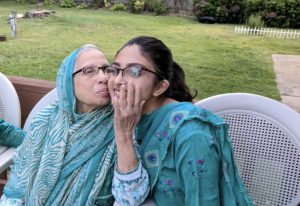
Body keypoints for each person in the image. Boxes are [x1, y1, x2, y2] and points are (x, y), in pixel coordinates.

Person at [105, 36, 254, 205]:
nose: (117, 81)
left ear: (160, 87)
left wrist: (124, 133)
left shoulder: (192, 134)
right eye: (115, 70)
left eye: (135, 71)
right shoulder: (125, 116)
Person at [0, 44, 149, 206]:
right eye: (89, 71)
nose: (104, 78)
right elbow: (17, 185)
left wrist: (123, 135)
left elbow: (131, 198)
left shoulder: (124, 123)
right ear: (68, 81)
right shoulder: (45, 120)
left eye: (107, 69)